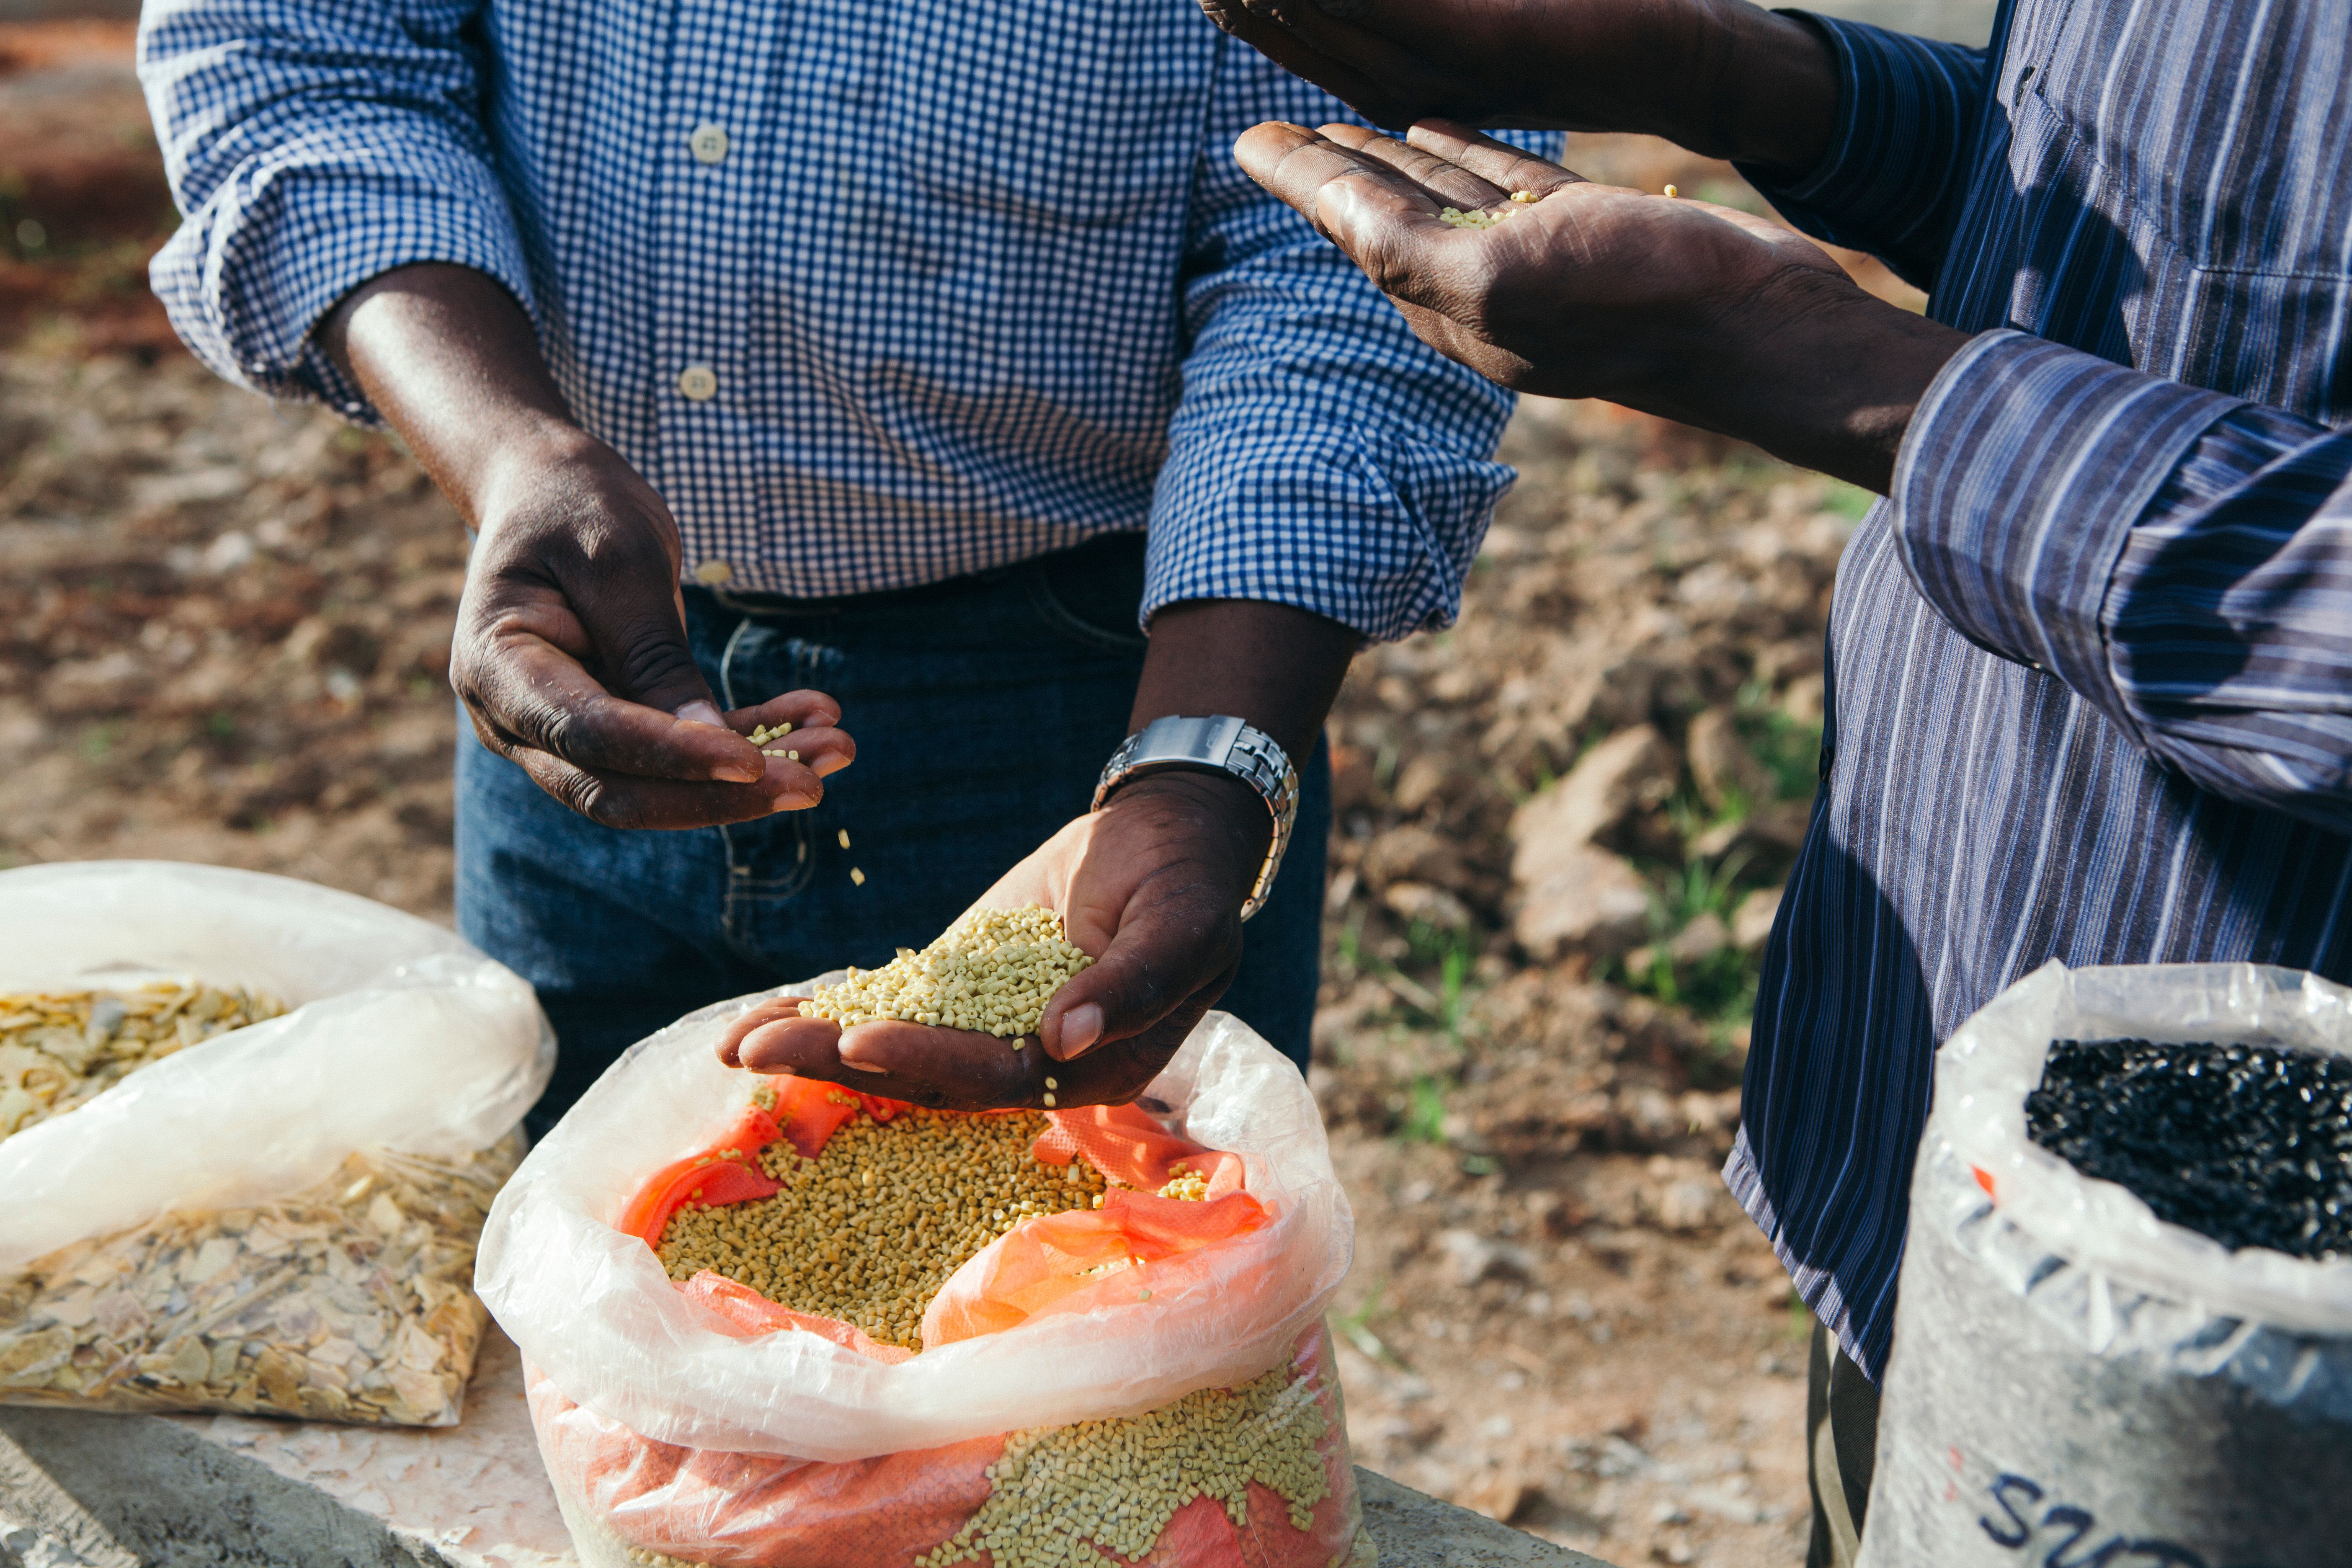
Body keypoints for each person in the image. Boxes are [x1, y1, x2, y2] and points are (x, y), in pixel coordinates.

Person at [1199, 0, 2352, 1558]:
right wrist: (1737, 77)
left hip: (2263, 1339)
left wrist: (1818, 365)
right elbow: (2191, 235)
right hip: (1959, 1115)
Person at [137, 0, 1549, 1123]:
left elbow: (1361, 247)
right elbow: (307, 58)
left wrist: (1197, 768)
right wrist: (513, 456)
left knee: (1065, 1389)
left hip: (1102, 696)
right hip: (602, 655)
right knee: (606, 1343)